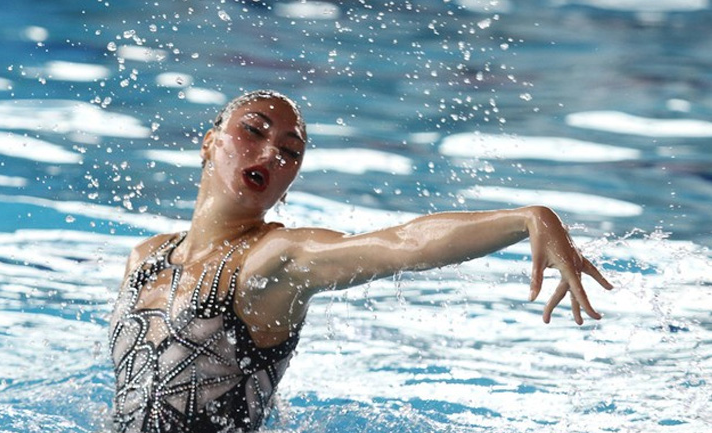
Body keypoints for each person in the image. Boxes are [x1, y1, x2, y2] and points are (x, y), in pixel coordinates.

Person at [108, 90, 613, 433]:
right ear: (209, 141)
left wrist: (526, 219)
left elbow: (399, 243)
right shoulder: (146, 259)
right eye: (254, 130)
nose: (271, 154)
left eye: (291, 151)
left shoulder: (274, 261)